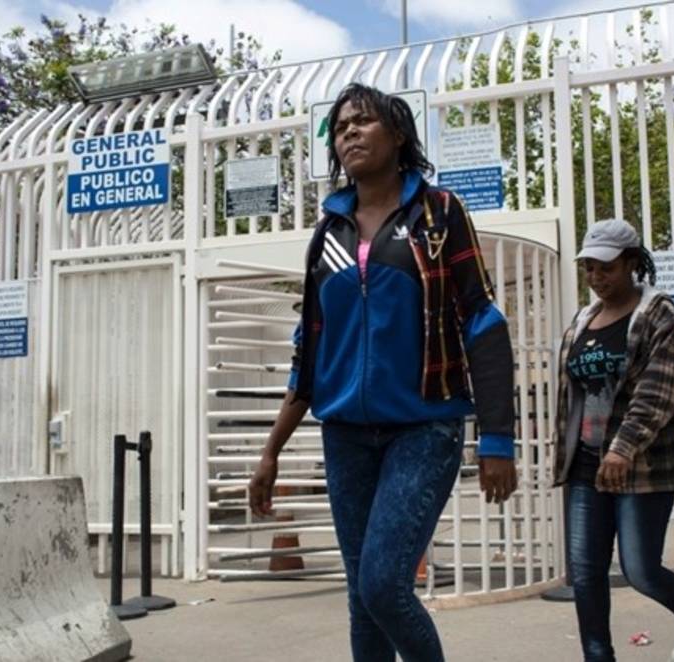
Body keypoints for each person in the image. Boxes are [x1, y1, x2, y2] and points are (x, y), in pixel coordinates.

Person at [248, 83, 517, 662]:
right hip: (345, 436)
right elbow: (310, 354)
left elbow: (484, 322)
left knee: (382, 586)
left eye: (364, 121)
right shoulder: (329, 235)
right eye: (341, 125)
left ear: (397, 135)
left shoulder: (438, 214)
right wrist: (271, 452)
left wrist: (497, 439)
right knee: (360, 597)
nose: (349, 131)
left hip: (424, 429)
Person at [552, 219, 674, 662]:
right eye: (589, 269)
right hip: (585, 465)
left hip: (642, 466)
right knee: (586, 573)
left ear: (633, 263)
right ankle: (598, 657)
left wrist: (622, 446)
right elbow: (571, 395)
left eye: (606, 268)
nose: (596, 278)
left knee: (641, 571)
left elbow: (657, 392)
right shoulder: (584, 320)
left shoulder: (660, 316)